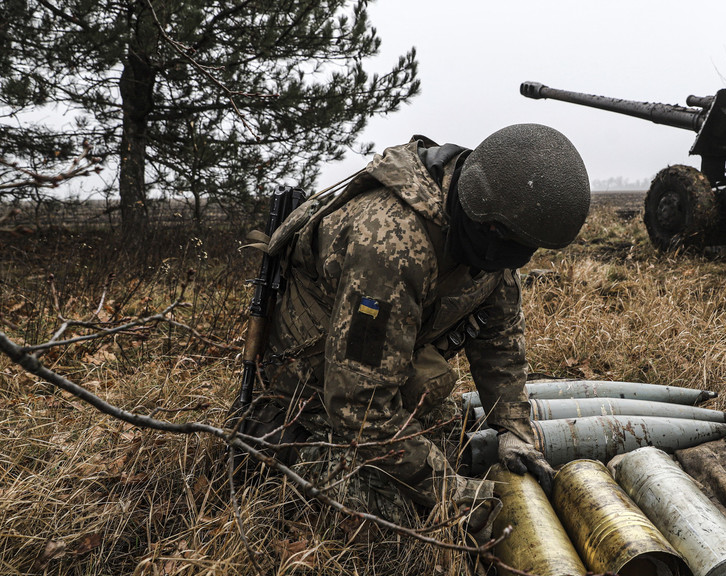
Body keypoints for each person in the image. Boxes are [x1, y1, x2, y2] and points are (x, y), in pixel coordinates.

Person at [236, 123, 591, 526]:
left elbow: (499, 339)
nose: (519, 262)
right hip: (310, 391)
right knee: (391, 515)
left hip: (378, 370)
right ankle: (293, 452)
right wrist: (447, 490)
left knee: (456, 444)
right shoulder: (391, 244)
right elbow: (359, 406)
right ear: (492, 229)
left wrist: (512, 426)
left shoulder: (486, 229)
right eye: (519, 249)